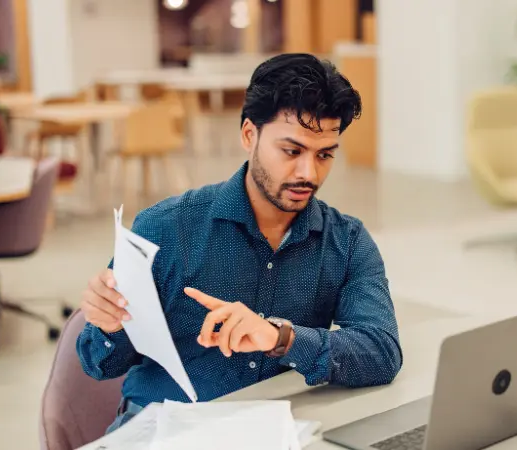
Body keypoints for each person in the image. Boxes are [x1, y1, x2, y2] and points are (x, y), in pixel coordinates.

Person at [75, 53, 403, 433]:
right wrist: (109, 326)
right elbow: (98, 363)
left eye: (325, 155)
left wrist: (281, 337)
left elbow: (381, 351)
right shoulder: (164, 228)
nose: (308, 173)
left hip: (273, 429)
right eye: (292, 151)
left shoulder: (346, 240)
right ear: (250, 135)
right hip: (161, 428)